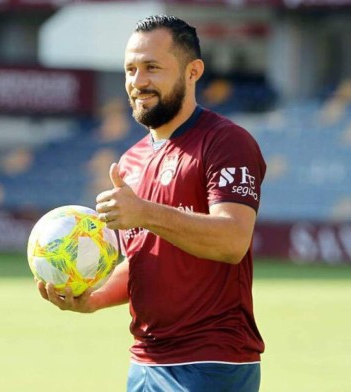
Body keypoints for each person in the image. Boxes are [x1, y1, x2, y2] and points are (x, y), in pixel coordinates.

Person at [36, 14, 267, 391]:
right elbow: (144, 261)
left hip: (211, 362)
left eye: (152, 68)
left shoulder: (225, 142)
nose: (137, 82)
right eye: (130, 69)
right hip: (145, 362)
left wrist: (145, 212)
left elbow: (232, 241)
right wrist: (93, 299)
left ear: (193, 72)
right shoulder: (130, 161)